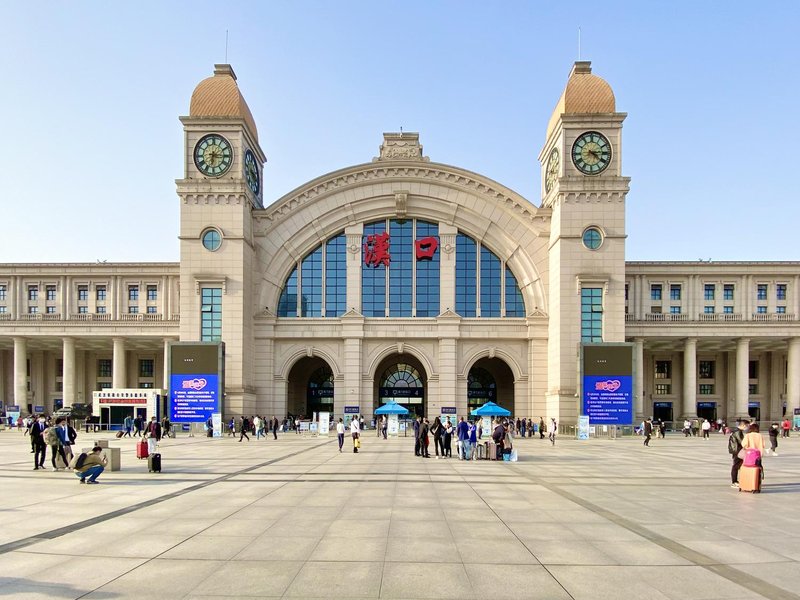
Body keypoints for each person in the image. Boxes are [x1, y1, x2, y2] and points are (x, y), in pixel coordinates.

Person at [728, 420, 748, 488]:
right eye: (746, 426)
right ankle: (734, 482)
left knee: (737, 465)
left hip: (736, 450)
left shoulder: (736, 431)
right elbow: (742, 441)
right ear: (743, 425)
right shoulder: (738, 432)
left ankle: (736, 481)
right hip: (738, 450)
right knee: (736, 466)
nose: (747, 427)